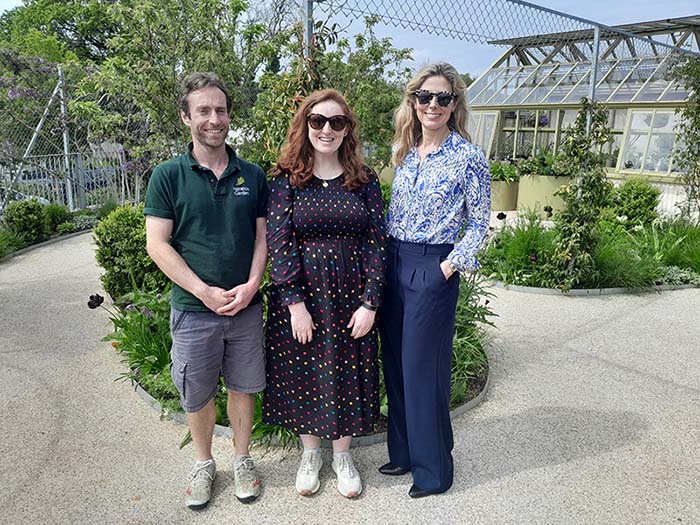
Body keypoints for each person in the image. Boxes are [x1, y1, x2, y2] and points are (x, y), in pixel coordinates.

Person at [144, 72, 269, 510]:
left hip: (245, 308)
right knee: (196, 392)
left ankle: (241, 460)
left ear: (229, 115)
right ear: (186, 117)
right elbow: (156, 243)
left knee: (242, 386)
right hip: (194, 311)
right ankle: (203, 463)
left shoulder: (251, 175)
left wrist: (253, 284)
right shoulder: (167, 176)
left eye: (220, 110)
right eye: (203, 111)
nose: (213, 119)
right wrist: (203, 291)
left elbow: (261, 238)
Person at [263, 89, 386, 498]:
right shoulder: (286, 180)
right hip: (304, 297)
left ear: (347, 129)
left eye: (336, 122)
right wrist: (294, 304)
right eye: (318, 121)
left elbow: (376, 244)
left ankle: (344, 456)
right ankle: (310, 454)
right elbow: (279, 243)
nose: (327, 129)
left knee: (348, 370)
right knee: (304, 370)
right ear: (305, 125)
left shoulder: (364, 182)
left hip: (351, 297)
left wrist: (370, 301)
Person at [378, 62, 490, 498]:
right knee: (397, 366)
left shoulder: (468, 157)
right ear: (414, 101)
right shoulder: (402, 153)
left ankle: (434, 471)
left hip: (433, 265)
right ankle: (404, 452)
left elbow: (479, 224)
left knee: (423, 370)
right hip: (394, 261)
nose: (433, 105)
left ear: (455, 104)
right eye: (425, 97)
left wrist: (447, 267)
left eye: (443, 98)